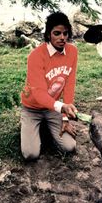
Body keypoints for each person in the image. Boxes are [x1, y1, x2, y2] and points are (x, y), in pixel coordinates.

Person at [20, 12, 78, 160]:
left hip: (53, 108)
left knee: (69, 147)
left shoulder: (72, 52)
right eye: (57, 33)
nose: (62, 37)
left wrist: (65, 118)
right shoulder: (36, 56)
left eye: (65, 33)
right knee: (31, 154)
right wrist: (62, 107)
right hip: (32, 108)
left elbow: (69, 84)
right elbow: (38, 93)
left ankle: (47, 127)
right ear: (48, 34)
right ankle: (31, 125)